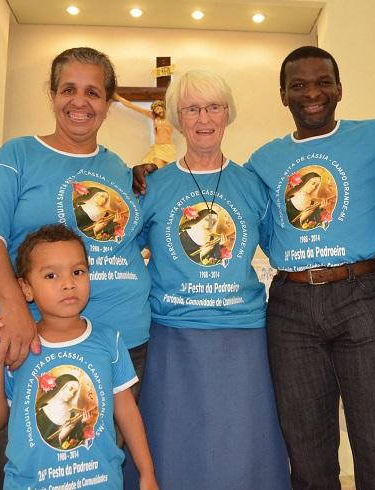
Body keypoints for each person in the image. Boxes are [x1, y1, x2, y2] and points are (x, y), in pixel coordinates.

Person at [132, 46, 375, 489]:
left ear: (340, 89)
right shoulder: (262, 163)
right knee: (306, 445)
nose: (312, 93)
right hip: (291, 306)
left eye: (323, 82)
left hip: (361, 297)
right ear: (282, 95)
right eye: (299, 85)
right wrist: (147, 171)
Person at [0, 47, 151, 489]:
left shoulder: (117, 168)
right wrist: (14, 307)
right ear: (52, 94)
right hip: (31, 338)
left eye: (93, 92)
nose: (79, 101)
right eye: (68, 89)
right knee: (31, 463)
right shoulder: (18, 155)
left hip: (119, 341)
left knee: (98, 465)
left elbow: (136, 238)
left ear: (108, 102)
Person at [123, 69, 290, 490]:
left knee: (241, 448)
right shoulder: (152, 186)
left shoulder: (252, 184)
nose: (204, 118)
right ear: (177, 119)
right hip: (173, 336)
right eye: (192, 109)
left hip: (242, 337)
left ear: (227, 114)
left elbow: (286, 246)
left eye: (214, 107)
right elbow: (122, 252)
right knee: (174, 448)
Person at [0, 224, 158, 490]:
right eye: (51, 275)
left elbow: (127, 412)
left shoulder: (109, 341)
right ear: (26, 288)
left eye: (78, 272)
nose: (68, 284)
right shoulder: (19, 348)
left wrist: (147, 473)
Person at [113, 94, 176, 166]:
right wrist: (118, 97)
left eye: (158, 108)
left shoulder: (170, 117)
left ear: (163, 107)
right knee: (157, 167)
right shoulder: (155, 118)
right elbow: (133, 106)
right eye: (156, 110)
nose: (158, 111)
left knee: (168, 170)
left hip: (169, 148)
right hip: (158, 149)